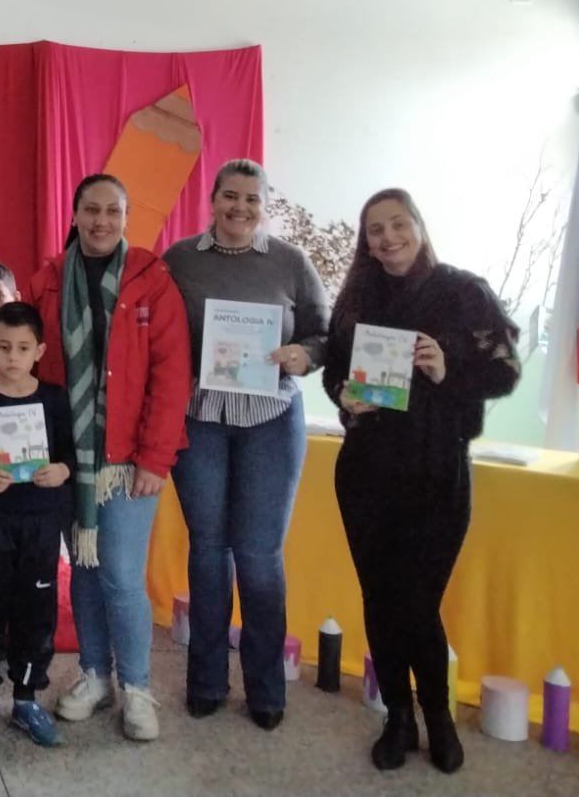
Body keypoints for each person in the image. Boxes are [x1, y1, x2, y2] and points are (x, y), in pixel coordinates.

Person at [323, 188, 518, 774]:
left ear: (419, 226)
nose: (387, 237)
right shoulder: (357, 297)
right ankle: (398, 718)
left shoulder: (464, 291)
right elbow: (335, 373)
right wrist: (345, 397)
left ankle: (438, 717)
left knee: (417, 603)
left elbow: (505, 372)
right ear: (366, 241)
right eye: (375, 229)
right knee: (380, 600)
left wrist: (446, 368)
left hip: (436, 472)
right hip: (366, 472)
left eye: (397, 224)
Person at [161, 159, 331, 730]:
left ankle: (265, 688)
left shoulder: (291, 261)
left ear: (264, 206)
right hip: (201, 419)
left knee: (258, 556)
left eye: (252, 199)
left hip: (270, 419)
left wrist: (304, 355)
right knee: (209, 552)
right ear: (212, 200)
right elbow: (157, 329)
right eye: (230, 196)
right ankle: (206, 681)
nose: (240, 208)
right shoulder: (180, 259)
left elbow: (324, 334)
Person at [28, 173, 191, 742]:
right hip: (70, 458)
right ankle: (95, 674)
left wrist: (155, 458)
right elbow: (33, 366)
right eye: (91, 210)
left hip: (128, 460)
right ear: (74, 215)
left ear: (126, 218)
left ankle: (138, 687)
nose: (101, 221)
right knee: (85, 570)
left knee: (120, 574)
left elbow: (171, 376)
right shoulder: (49, 279)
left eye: (113, 212)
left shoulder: (152, 280)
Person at [0, 302, 75, 750]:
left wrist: (61, 470)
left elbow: (69, 452)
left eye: (23, 348)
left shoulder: (54, 398)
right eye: (3, 346)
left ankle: (26, 697)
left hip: (41, 519)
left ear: (39, 350)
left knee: (37, 607)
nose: (12, 356)